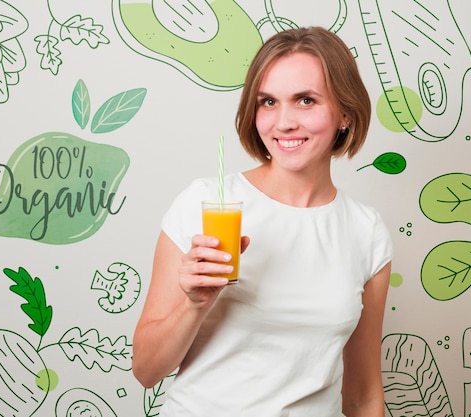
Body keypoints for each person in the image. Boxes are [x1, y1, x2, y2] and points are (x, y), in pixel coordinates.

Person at [132, 26, 393, 417]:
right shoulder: (204, 204)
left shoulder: (365, 231)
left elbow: (363, 394)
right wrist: (194, 305)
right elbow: (147, 371)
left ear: (345, 113)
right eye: (268, 102)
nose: (283, 122)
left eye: (305, 100)